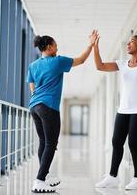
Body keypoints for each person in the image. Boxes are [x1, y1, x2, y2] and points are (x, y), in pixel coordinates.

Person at [27, 31, 98, 193]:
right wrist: (90, 45)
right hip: (49, 107)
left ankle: (45, 176)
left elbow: (31, 85)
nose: (57, 47)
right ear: (50, 47)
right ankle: (39, 180)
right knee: (51, 144)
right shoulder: (57, 61)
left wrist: (38, 96)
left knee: (43, 142)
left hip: (34, 106)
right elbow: (80, 60)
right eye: (56, 45)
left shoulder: (33, 65)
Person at [93, 35, 137, 190]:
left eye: (132, 42)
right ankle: (112, 176)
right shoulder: (122, 64)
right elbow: (100, 66)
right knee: (116, 142)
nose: (128, 44)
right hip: (123, 110)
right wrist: (95, 47)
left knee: (133, 143)